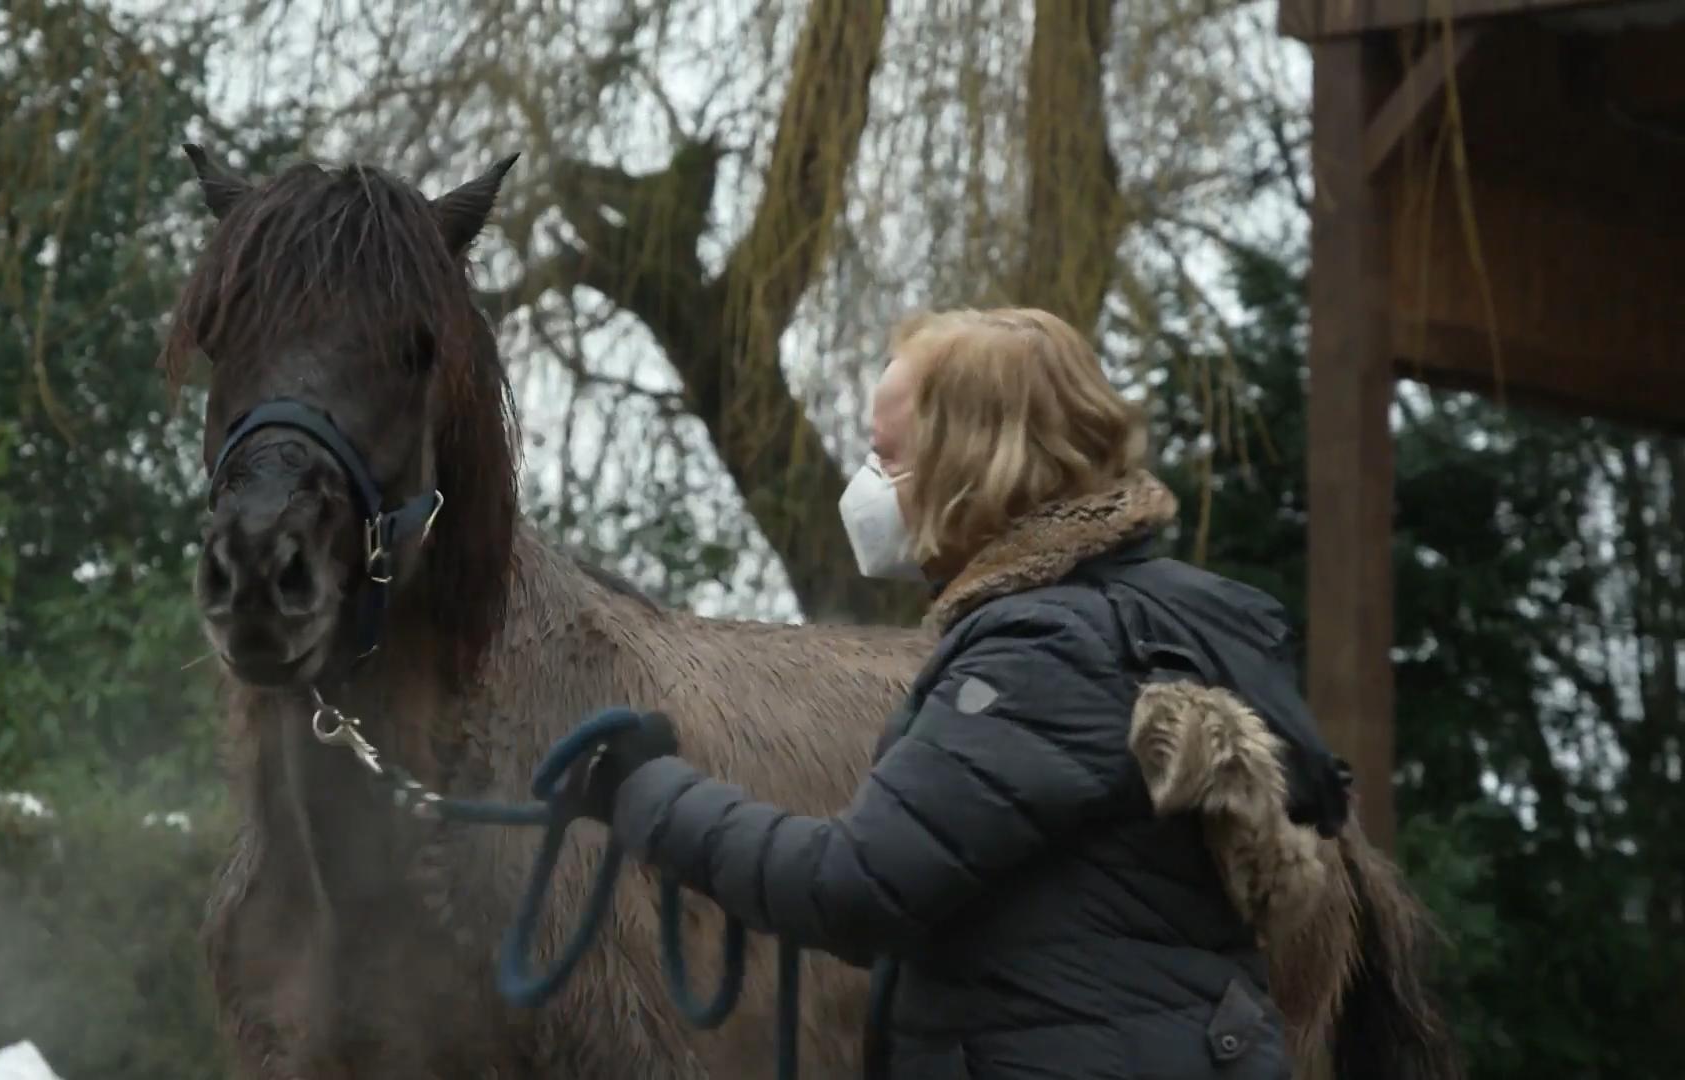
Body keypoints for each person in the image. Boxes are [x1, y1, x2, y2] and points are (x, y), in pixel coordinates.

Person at [570, 307, 1354, 1080]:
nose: (867, 490)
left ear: (975, 465)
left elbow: (857, 887)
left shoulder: (1047, 654)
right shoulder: (1128, 623)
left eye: (887, 460)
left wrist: (644, 793)